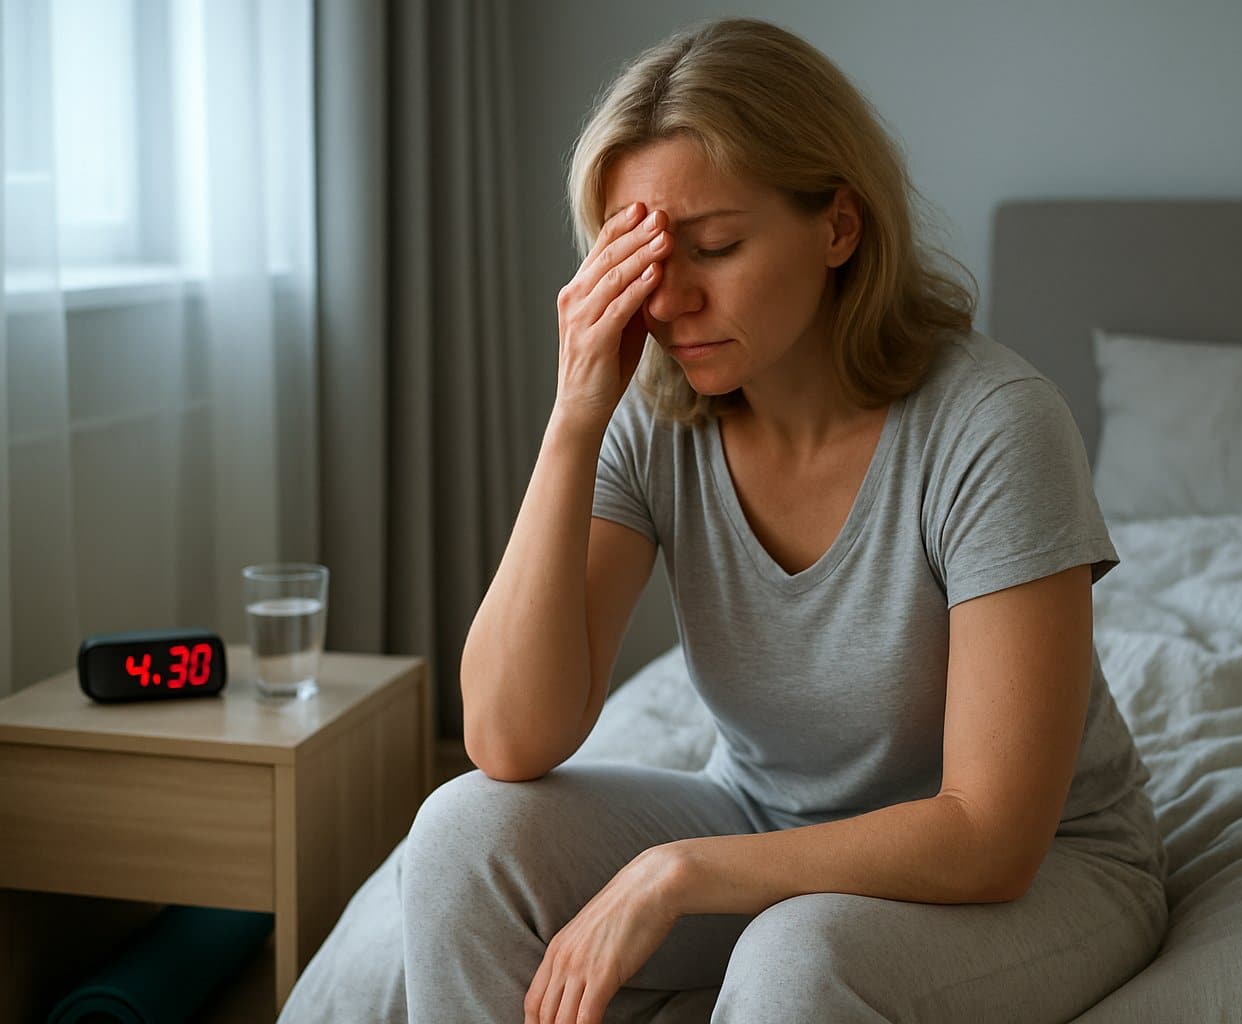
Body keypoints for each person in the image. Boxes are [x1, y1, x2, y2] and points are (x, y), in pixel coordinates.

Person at [282, 15, 1167, 1024]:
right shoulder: (654, 423)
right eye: (643, 258)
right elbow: (507, 737)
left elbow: (991, 835)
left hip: (1045, 869)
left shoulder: (995, 427)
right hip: (765, 819)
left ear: (839, 227)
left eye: (715, 247)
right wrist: (574, 420)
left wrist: (682, 871)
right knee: (459, 833)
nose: (671, 301)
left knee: (794, 958)